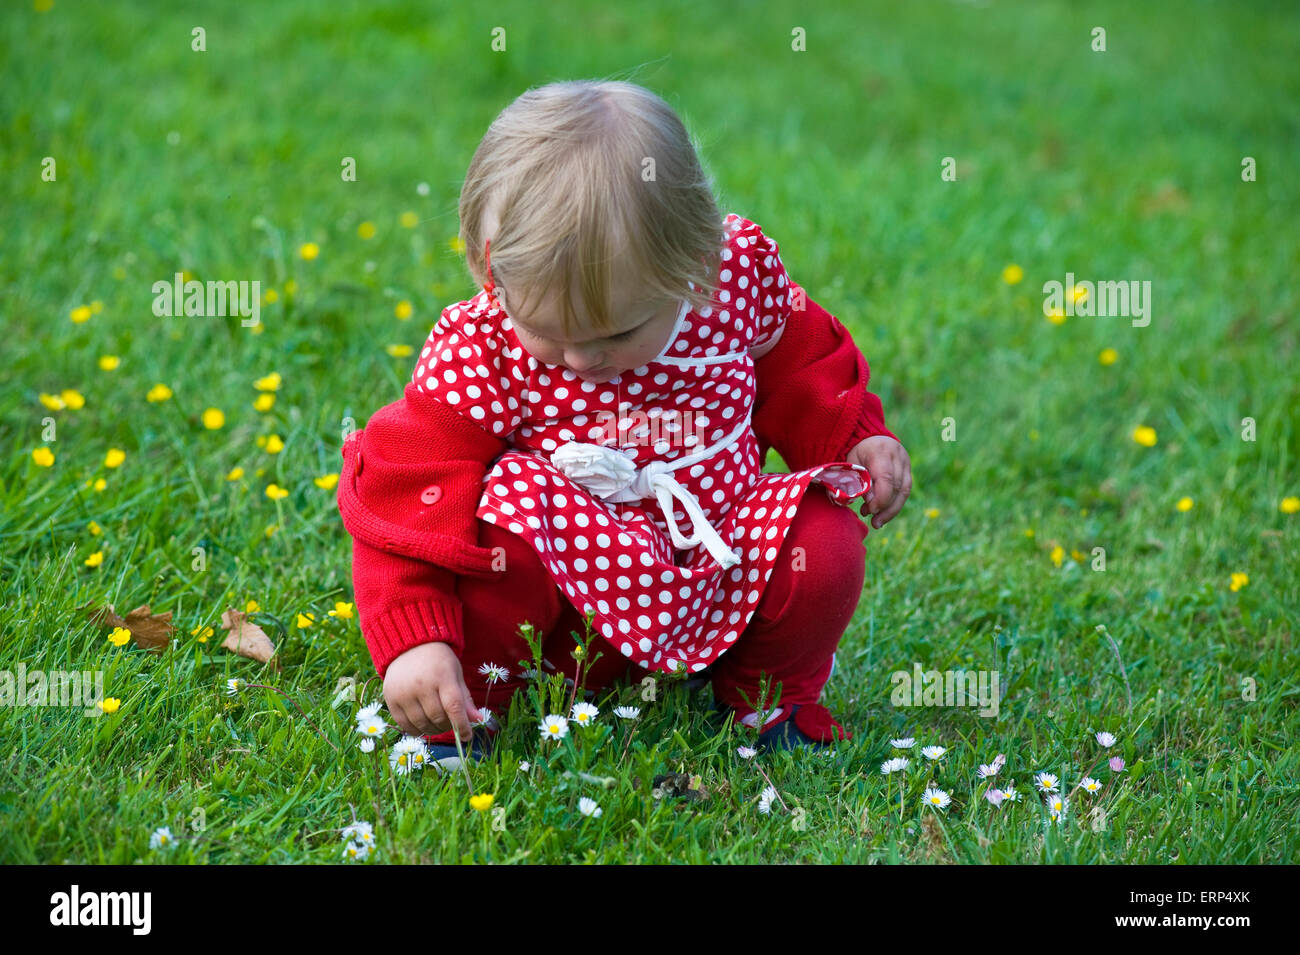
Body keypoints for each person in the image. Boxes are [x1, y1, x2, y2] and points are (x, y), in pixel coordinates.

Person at [336, 79, 911, 756]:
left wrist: (856, 435)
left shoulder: (734, 286)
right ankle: (463, 709)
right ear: (491, 269)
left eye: (615, 335)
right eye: (547, 332)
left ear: (695, 267)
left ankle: (765, 696)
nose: (580, 359)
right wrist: (418, 635)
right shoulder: (483, 343)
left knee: (825, 540)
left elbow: (802, 367)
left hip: (714, 564)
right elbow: (412, 486)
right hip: (566, 617)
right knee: (500, 532)